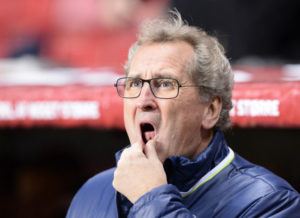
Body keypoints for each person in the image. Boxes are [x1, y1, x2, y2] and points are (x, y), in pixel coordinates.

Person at [66, 10, 300, 217]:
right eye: (135, 84)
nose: (143, 100)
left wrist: (151, 197)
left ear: (210, 110)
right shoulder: (92, 192)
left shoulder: (270, 202)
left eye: (165, 84)